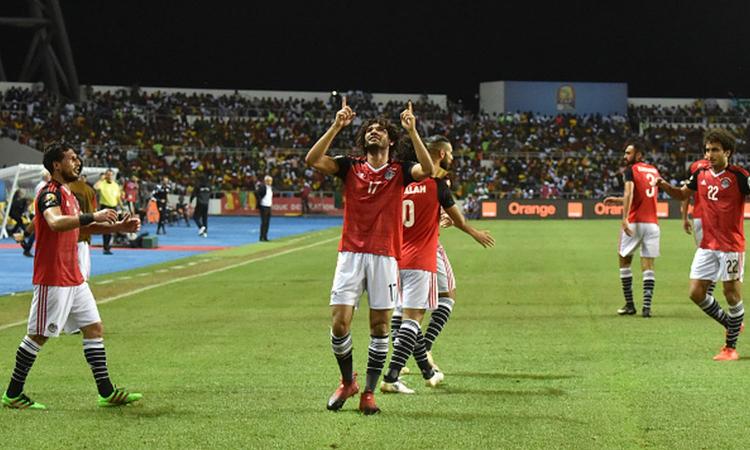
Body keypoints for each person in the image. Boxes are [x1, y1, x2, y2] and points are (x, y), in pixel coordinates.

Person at [306, 97, 433, 415]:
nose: (374, 132)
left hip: (385, 256)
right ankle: (347, 381)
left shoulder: (399, 171)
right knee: (339, 323)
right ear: (363, 138)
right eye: (370, 130)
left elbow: (429, 170)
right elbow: (312, 159)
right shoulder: (350, 166)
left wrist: (413, 131)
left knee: (380, 327)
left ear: (390, 139)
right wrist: (337, 125)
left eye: (380, 130)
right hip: (350, 254)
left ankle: (369, 393)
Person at [1, 142, 142, 410]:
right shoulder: (49, 193)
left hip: (74, 276)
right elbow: (55, 222)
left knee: (94, 328)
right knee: (38, 335)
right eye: (72, 159)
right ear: (57, 164)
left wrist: (119, 227)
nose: (77, 163)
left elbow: (77, 229)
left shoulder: (67, 193)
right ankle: (13, 393)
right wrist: (92, 215)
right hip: (53, 276)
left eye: (78, 158)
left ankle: (106, 392)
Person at [381, 135, 494, 394]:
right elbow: (459, 219)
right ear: (441, 154)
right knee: (416, 316)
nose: (453, 157)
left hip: (395, 255)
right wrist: (474, 232)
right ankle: (392, 375)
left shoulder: (399, 182)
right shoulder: (437, 183)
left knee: (404, 310)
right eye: (450, 152)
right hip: (423, 256)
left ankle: (427, 370)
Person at [652, 129, 746, 361]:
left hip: (731, 246)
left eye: (715, 150)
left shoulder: (739, 176)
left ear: (728, 152)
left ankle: (730, 348)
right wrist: (663, 185)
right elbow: (682, 194)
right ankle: (731, 323)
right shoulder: (700, 173)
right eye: (707, 150)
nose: (709, 154)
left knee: (731, 293)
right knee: (695, 293)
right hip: (707, 245)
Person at [603, 140, 660, 318]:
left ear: (638, 155)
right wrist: (617, 200)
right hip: (652, 224)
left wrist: (624, 218)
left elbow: (630, 193)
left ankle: (630, 305)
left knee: (624, 260)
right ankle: (647, 307)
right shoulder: (653, 170)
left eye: (628, 153)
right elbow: (641, 196)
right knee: (648, 265)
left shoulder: (631, 170)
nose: (625, 156)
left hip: (635, 222)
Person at [681, 153, 717, 298]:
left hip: (699, 217)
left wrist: (684, 217)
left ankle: (707, 292)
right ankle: (709, 291)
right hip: (716, 217)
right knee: (716, 254)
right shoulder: (721, 165)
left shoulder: (695, 167)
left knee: (705, 253)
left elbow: (686, 193)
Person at [69, 173, 98, 281]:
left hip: (69, 230)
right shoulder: (89, 190)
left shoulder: (66, 189)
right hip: (84, 231)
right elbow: (93, 210)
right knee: (83, 261)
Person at [95, 169, 122, 255]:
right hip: (105, 207)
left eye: (111, 175)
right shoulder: (102, 184)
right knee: (106, 227)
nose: (110, 176)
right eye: (108, 175)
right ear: (105, 175)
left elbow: (118, 198)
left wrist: (122, 207)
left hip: (113, 207)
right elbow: (95, 187)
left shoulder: (116, 185)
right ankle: (106, 247)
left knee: (112, 227)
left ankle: (108, 246)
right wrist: (101, 179)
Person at [256, 175, 273, 241]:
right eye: (269, 181)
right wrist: (260, 200)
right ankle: (261, 237)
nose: (271, 182)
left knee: (267, 222)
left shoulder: (270, 188)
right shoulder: (263, 187)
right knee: (264, 222)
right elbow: (257, 193)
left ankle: (265, 236)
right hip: (264, 206)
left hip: (269, 206)